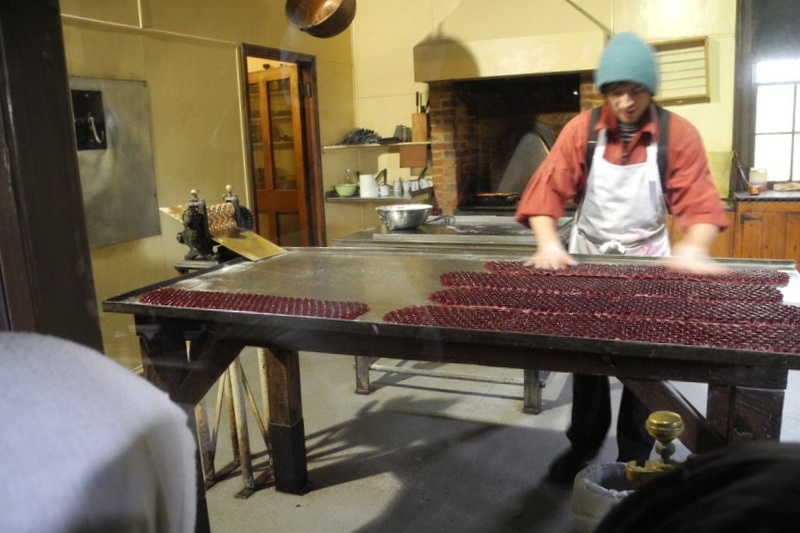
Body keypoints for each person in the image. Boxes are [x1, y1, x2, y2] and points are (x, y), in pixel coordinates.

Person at [513, 32, 730, 484]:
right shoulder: (582, 130)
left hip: (649, 260)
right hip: (590, 256)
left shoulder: (676, 133)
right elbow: (546, 191)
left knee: (642, 361)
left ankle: (635, 451)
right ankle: (583, 446)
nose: (627, 102)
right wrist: (548, 242)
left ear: (651, 90)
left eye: (635, 91)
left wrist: (693, 248)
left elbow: (700, 203)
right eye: (616, 92)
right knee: (587, 361)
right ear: (604, 92)